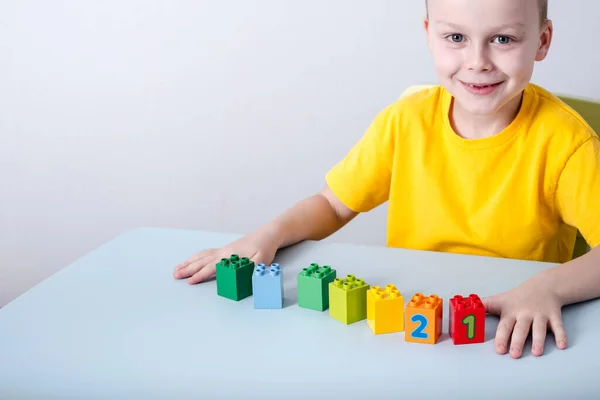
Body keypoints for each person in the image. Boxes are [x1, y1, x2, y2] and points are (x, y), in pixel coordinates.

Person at [174, 0, 600, 359]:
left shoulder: (567, 143)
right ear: (429, 33)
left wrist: (549, 288)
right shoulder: (404, 122)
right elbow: (335, 204)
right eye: (456, 38)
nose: (477, 62)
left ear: (542, 40)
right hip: (413, 320)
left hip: (511, 332)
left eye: (503, 39)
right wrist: (269, 233)